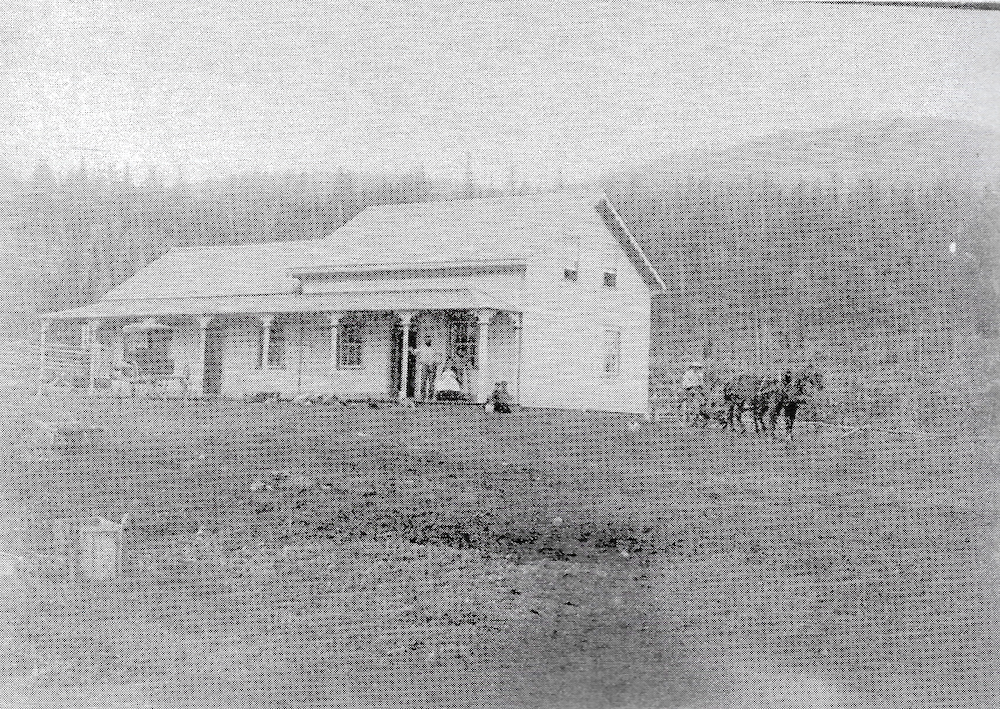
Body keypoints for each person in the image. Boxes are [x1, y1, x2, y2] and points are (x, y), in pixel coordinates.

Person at [413, 335, 439, 401]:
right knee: (423, 380)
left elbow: (437, 356)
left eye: (429, 339)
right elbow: (415, 353)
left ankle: (430, 396)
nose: (428, 341)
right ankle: (422, 396)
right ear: (425, 340)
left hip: (432, 365)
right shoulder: (421, 348)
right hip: (424, 365)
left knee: (431, 381)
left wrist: (436, 363)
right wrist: (411, 349)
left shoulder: (433, 348)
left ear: (431, 341)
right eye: (427, 339)